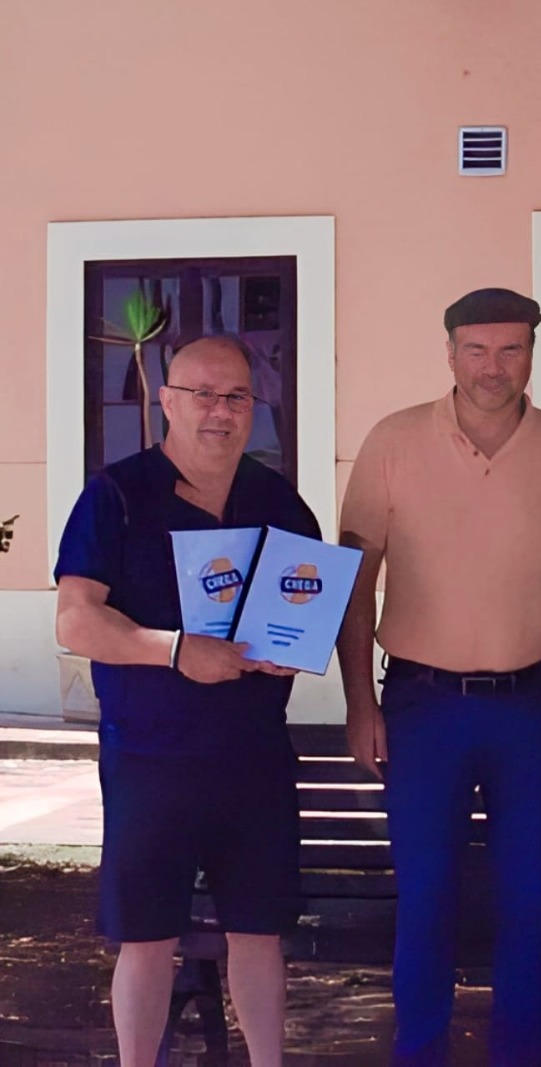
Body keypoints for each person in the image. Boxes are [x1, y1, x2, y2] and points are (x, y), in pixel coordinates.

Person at [336, 288, 541, 1066]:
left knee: (529, 899)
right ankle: (420, 1053)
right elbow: (355, 582)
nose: (494, 366)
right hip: (422, 705)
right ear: (450, 353)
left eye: (511, 349)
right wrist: (359, 702)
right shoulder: (393, 440)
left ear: (531, 355)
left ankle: (519, 1054)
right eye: (477, 349)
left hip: (534, 702)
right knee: (426, 898)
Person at [55, 335, 316, 1067]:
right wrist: (173, 649)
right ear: (167, 401)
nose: (220, 411)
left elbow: (303, 610)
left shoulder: (280, 504)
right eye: (202, 394)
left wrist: (294, 645)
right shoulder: (117, 495)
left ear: (253, 407)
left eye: (236, 396)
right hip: (150, 757)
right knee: (146, 938)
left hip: (253, 756)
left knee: (260, 934)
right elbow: (75, 620)